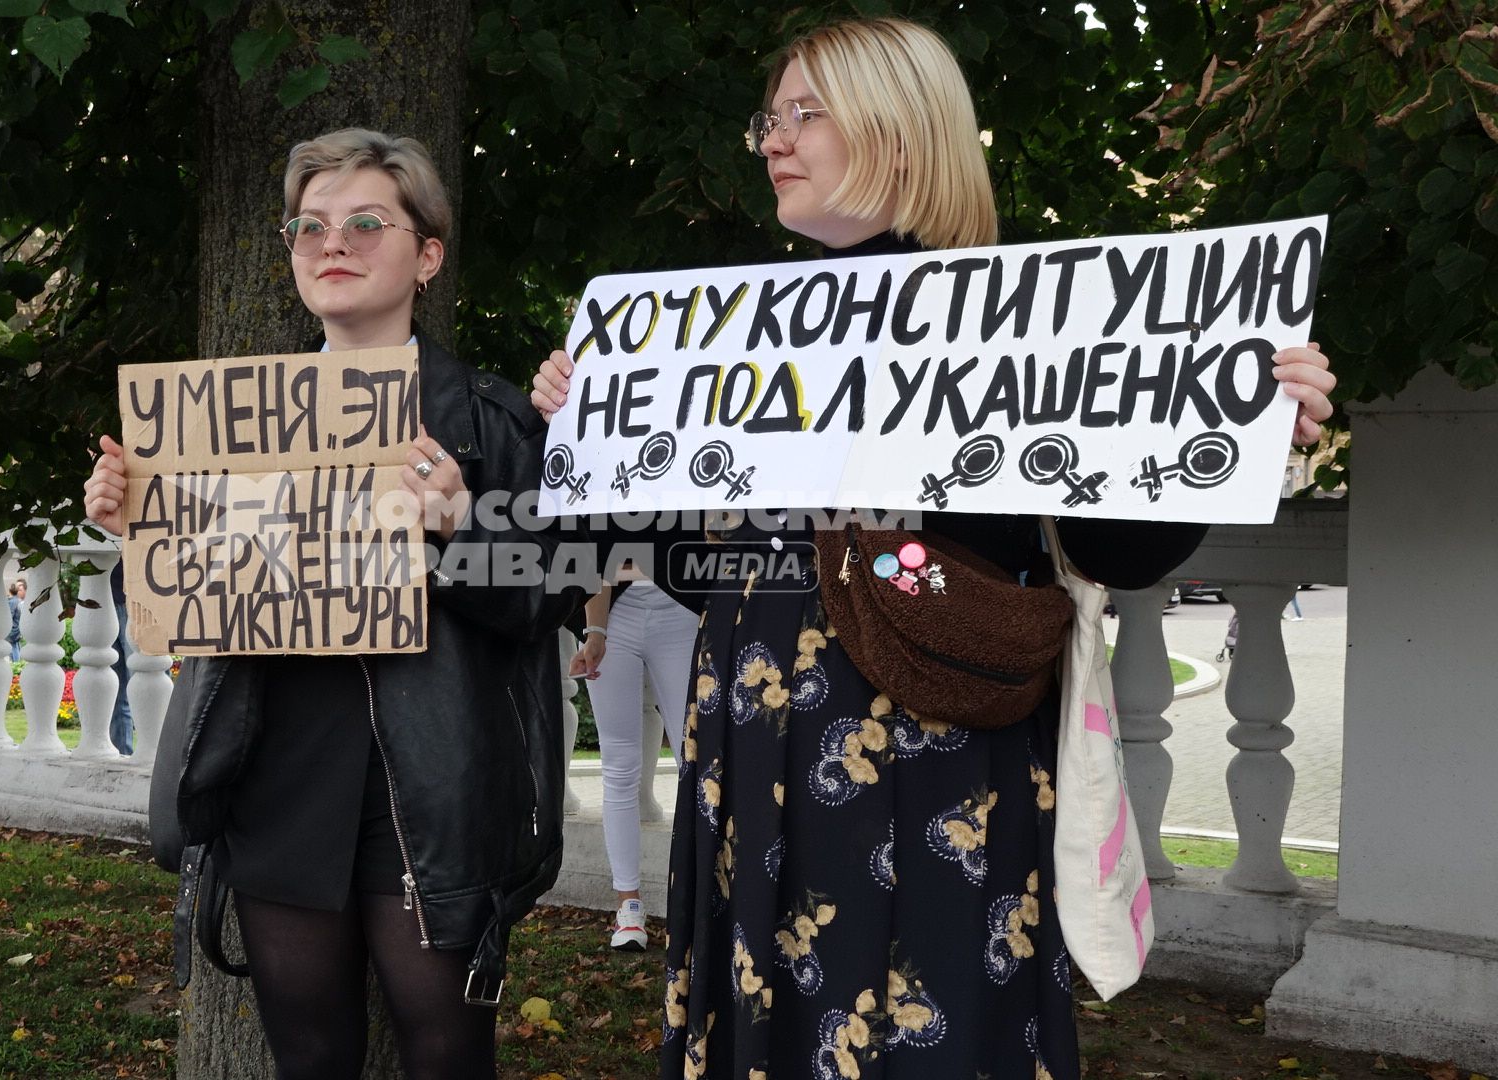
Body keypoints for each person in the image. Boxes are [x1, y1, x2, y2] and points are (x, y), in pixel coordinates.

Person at [530, 18, 1339, 1077]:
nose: (776, 138)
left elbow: (1121, 547)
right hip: (752, 767)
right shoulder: (727, 335)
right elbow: (701, 568)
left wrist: (1242, 428)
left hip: (931, 763)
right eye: (768, 118)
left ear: (902, 135)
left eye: (806, 113)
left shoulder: (1025, 319)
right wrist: (597, 441)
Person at [83, 129, 584, 1078]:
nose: (332, 246)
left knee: (447, 1055)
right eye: (307, 229)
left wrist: (456, 536)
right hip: (280, 771)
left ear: (426, 255)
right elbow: (183, 609)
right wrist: (134, 535)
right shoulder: (226, 420)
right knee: (307, 1058)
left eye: (364, 223)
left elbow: (548, 597)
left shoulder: (493, 419)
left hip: (432, 790)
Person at [569, 570, 700, 950]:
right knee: (619, 763)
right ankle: (628, 906)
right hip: (614, 610)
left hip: (680, 604)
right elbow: (594, 545)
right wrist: (595, 631)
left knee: (695, 759)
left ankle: (703, 895)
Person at [7, 578, 26, 662]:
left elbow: (9, 616)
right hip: (17, 628)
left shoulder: (12, 602)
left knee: (13, 647)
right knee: (16, 646)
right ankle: (18, 663)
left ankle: (16, 664)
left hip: (13, 629)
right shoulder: (18, 601)